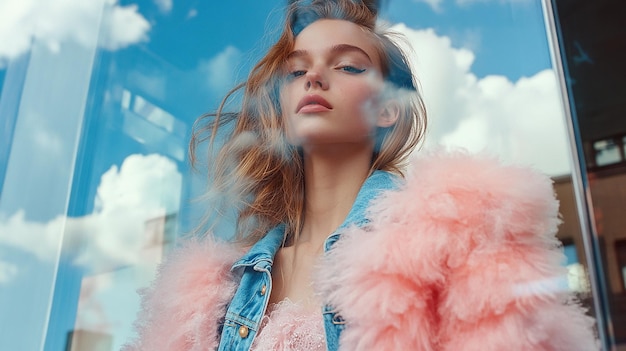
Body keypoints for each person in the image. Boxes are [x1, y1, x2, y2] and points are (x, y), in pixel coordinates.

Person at [123, 0, 599, 350]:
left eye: (348, 65)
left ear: (389, 107)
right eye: (295, 71)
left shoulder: (456, 242)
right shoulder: (210, 295)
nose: (313, 77)